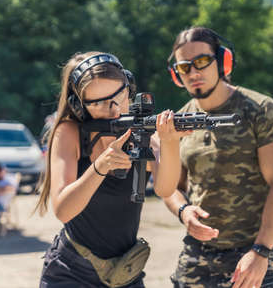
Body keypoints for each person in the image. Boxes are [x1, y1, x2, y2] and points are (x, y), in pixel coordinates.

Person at [35, 51, 188, 287]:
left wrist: (170, 141)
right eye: (100, 103)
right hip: (71, 272)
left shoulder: (143, 133)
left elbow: (165, 189)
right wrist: (100, 166)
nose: (115, 109)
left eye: (121, 95)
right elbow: (63, 210)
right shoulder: (70, 133)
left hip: (124, 273)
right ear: (78, 106)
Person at [163, 27, 273, 288]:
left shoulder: (260, 110)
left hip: (253, 253)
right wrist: (183, 210)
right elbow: (170, 188)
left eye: (201, 62)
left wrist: (261, 252)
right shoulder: (179, 121)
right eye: (184, 67)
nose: (194, 73)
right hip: (198, 257)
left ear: (223, 61)